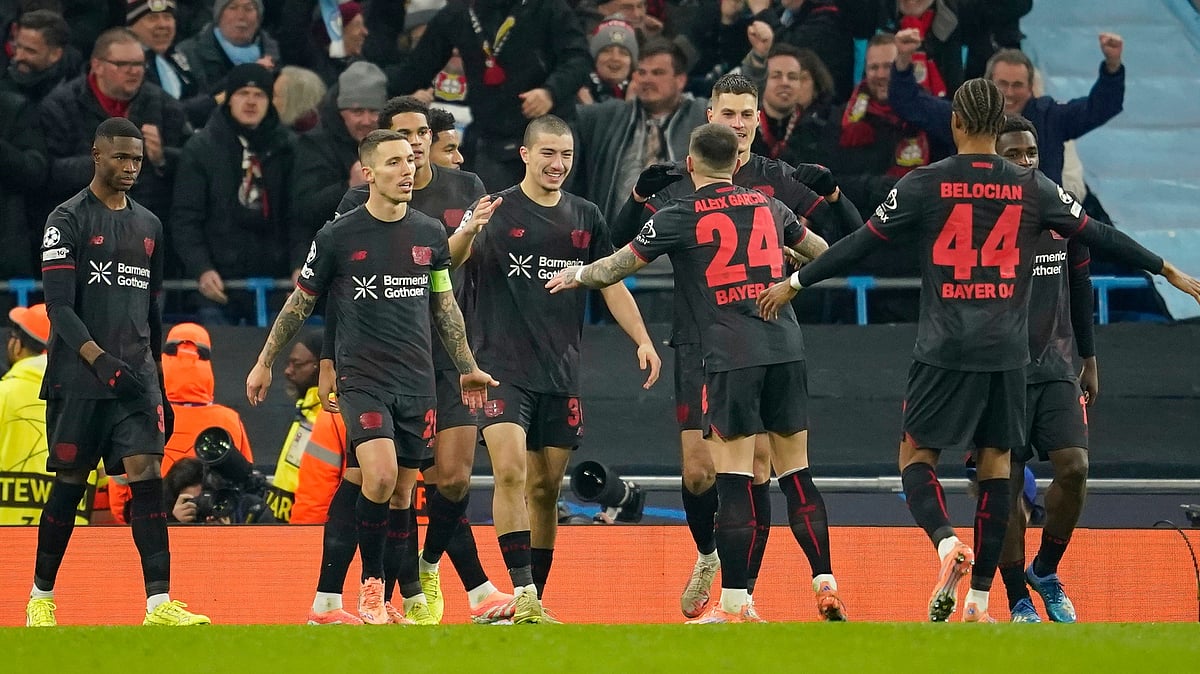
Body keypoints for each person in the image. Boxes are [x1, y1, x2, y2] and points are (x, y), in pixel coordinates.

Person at [757, 78, 1200, 622]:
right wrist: (1166, 268)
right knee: (997, 472)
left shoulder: (926, 181)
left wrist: (796, 284)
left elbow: (862, 244)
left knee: (917, 459)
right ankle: (980, 601)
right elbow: (1099, 234)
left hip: (943, 347)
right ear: (996, 126)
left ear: (957, 124)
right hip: (1007, 352)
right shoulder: (1032, 186)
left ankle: (946, 544)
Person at [547, 122, 846, 623]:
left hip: (730, 353)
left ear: (689, 165)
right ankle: (825, 581)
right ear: (735, 163)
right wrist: (790, 278)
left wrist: (576, 274)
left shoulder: (678, 212)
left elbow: (614, 267)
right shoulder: (770, 207)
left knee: (732, 479)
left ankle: (734, 604)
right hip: (787, 347)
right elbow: (828, 255)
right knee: (795, 472)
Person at [608, 72, 861, 619]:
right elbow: (619, 244)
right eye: (730, 115)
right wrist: (635, 198)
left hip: (765, 336)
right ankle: (709, 556)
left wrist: (835, 198)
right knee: (700, 471)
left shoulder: (780, 181)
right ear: (710, 118)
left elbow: (843, 246)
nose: (740, 125)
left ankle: (744, 592)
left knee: (757, 467)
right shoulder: (682, 180)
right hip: (699, 341)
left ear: (757, 120)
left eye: (749, 115)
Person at [245, 129, 496, 626]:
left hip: (418, 380)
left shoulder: (428, 235)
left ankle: (369, 602)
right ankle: (371, 590)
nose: (407, 170)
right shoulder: (338, 236)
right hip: (364, 378)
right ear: (368, 172)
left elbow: (445, 308)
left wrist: (466, 367)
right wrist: (265, 360)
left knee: (401, 493)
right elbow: (301, 303)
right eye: (394, 162)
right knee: (378, 477)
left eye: (410, 160)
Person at [460, 114, 661, 623]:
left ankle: (535, 601)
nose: (558, 164)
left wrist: (642, 339)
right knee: (509, 472)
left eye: (566, 155)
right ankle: (520, 590)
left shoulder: (585, 215)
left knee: (546, 490)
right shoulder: (495, 211)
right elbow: (448, 264)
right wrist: (465, 234)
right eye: (548, 153)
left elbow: (611, 281)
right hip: (500, 365)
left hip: (560, 371)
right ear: (525, 155)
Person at [331, 95, 514, 625]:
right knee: (390, 481)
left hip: (449, 355)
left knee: (452, 479)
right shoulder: (356, 204)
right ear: (381, 148)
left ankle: (427, 569)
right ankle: (400, 592)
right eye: (403, 136)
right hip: (382, 360)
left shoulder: (466, 188)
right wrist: (328, 360)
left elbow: (459, 269)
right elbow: (335, 288)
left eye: (420, 133)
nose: (414, 144)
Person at [27, 117, 209, 627]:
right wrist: (99, 360)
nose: (130, 167)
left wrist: (161, 386)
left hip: (136, 378)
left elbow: (152, 311)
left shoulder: (149, 225)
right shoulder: (65, 220)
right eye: (120, 158)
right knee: (70, 482)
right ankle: (41, 597)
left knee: (146, 474)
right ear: (96, 155)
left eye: (137, 160)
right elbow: (58, 307)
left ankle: (159, 604)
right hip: (80, 378)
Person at [992, 115, 1093, 624]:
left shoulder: (1059, 210)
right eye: (1013, 154)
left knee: (1074, 467)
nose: (1027, 162)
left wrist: (1089, 358)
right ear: (992, 158)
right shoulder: (980, 216)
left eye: (1031, 152)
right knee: (1004, 485)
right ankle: (1015, 599)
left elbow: (1081, 284)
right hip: (998, 370)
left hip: (1056, 363)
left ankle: (1045, 570)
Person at [387, 0, 592, 191]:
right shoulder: (461, 11)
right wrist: (383, 92)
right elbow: (416, 69)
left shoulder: (548, 6)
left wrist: (550, 92)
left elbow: (579, 59)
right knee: (493, 219)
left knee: (550, 216)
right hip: (494, 139)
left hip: (549, 134)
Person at [888, 27, 1125, 184]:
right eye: (1002, 84)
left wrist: (1112, 66)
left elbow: (1101, 107)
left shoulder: (1051, 117)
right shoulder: (963, 117)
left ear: (1031, 87)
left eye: (1018, 85)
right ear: (988, 83)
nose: (1009, 93)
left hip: (1037, 226)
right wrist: (903, 60)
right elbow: (909, 103)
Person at [170, 63, 297, 326]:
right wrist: (201, 269)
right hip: (217, 283)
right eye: (242, 93)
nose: (250, 102)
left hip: (277, 283)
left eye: (259, 95)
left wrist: (299, 266)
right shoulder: (201, 148)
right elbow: (185, 218)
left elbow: (298, 215)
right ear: (228, 98)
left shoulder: (289, 147)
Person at [38, 27, 189, 233]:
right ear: (97, 66)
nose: (134, 71)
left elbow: (193, 161)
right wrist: (106, 162)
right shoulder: (60, 105)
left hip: (146, 226)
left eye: (138, 64)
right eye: (122, 64)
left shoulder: (165, 105)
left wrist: (163, 157)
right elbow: (50, 171)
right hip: (82, 225)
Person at [109, 322, 253, 524]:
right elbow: (245, 482)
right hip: (216, 527)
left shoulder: (138, 412)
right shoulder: (229, 420)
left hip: (148, 527)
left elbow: (120, 493)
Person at [574, 38, 708, 225]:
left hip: (679, 244)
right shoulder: (608, 116)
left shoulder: (704, 117)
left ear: (680, 80)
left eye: (658, 73)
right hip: (614, 244)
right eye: (642, 72)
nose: (647, 80)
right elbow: (560, 118)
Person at [0, 303, 99, 525]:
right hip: (68, 540)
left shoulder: (3, 394)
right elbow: (107, 478)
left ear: (18, 346)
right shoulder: (91, 405)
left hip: (6, 542)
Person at [291, 60, 388, 252]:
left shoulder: (395, 144)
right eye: (357, 111)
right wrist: (349, 187)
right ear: (340, 111)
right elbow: (303, 211)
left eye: (374, 111)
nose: (367, 120)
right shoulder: (314, 145)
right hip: (330, 256)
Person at [265, 329, 324, 523]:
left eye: (297, 364)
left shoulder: (332, 417)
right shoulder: (306, 410)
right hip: (283, 521)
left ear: (321, 367)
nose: (288, 371)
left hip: (307, 528)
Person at [127, 0, 215, 129]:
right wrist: (213, 101)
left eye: (168, 17)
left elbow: (200, 92)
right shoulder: (128, 64)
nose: (162, 25)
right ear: (132, 25)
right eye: (152, 18)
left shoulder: (177, 56)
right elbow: (164, 112)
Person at [749, 42, 836, 167]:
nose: (785, 83)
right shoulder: (743, 128)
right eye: (776, 76)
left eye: (793, 77)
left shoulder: (822, 131)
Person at [176, 0, 280, 98]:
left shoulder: (277, 54)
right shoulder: (188, 53)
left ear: (258, 18)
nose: (241, 16)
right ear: (219, 16)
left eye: (249, 9)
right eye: (232, 8)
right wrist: (248, 74)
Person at [578, 16, 637, 105]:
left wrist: (632, 106)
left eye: (623, 53)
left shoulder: (643, 93)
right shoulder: (577, 89)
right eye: (607, 51)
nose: (615, 58)